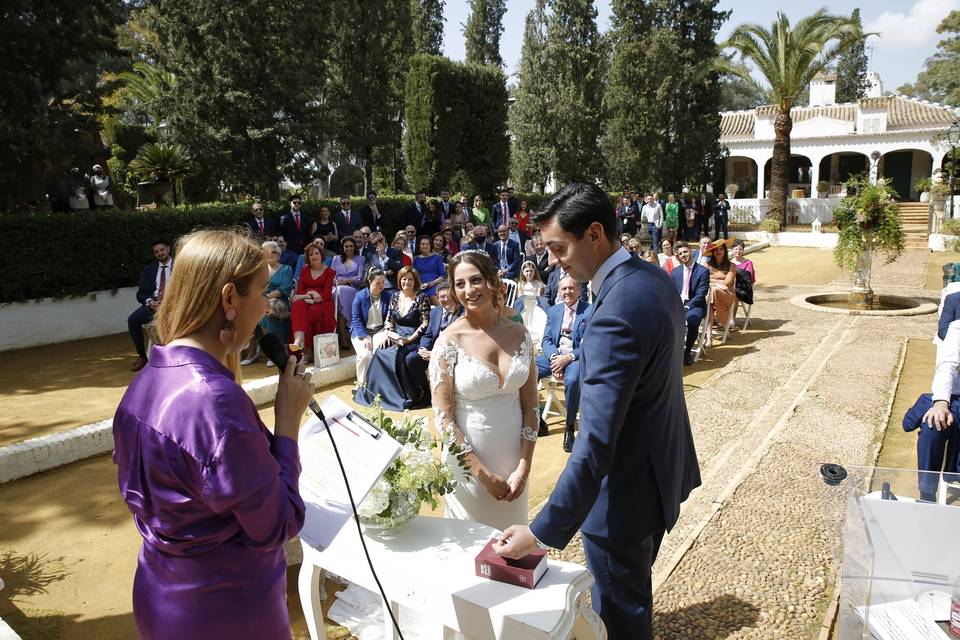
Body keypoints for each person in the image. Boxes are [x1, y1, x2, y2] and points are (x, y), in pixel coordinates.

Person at [494, 182, 701, 640]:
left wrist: (542, 531)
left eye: (557, 248)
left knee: (620, 619)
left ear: (593, 234)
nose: (552, 262)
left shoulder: (613, 314)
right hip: (661, 472)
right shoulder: (653, 279)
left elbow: (595, 444)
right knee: (634, 596)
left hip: (621, 500)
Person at [113, 229, 315, 640]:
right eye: (262, 293)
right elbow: (277, 524)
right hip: (227, 609)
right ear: (228, 300)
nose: (266, 308)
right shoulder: (214, 401)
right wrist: (288, 423)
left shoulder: (146, 380)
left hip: (160, 595)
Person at [428, 251, 538, 531]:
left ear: (491, 281)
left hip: (516, 463)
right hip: (469, 469)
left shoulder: (520, 335)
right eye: (460, 284)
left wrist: (524, 466)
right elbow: (444, 419)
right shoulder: (448, 342)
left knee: (512, 550)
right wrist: (482, 474)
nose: (468, 290)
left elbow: (531, 407)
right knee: (471, 550)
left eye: (475, 280)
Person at [355, 267, 431, 410]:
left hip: (414, 337)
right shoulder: (395, 296)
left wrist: (409, 339)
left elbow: (425, 323)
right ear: (399, 280)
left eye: (410, 279)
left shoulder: (422, 297)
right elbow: (389, 319)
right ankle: (382, 394)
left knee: (401, 357)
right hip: (396, 335)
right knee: (380, 353)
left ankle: (411, 396)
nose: (406, 282)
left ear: (415, 281)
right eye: (404, 279)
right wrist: (388, 334)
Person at [904, 320, 960, 501]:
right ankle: (927, 492)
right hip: (953, 398)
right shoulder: (957, 327)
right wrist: (941, 403)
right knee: (932, 426)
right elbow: (947, 365)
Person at [535, 276, 590, 452]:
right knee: (527, 370)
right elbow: (546, 339)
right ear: (559, 291)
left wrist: (568, 358)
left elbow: (590, 342)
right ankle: (537, 420)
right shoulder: (554, 311)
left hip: (575, 357)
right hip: (555, 356)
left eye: (571, 288)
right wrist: (554, 358)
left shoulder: (588, 311)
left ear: (579, 290)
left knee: (573, 381)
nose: (567, 292)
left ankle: (569, 428)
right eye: (564, 289)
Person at [406, 281, 462, 405]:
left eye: (448, 296)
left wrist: (436, 354)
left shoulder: (462, 315)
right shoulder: (435, 312)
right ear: (437, 298)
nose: (445, 299)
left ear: (454, 296)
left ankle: (448, 397)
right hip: (432, 350)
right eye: (442, 297)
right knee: (411, 359)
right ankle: (426, 392)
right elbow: (428, 335)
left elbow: (460, 343)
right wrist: (422, 348)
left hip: (451, 355)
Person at [128, 241, 173, 372]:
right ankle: (142, 357)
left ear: (168, 249)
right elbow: (140, 294)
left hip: (173, 304)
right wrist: (149, 302)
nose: (160, 253)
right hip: (153, 304)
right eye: (156, 252)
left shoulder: (180, 266)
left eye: (162, 250)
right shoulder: (149, 270)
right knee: (133, 320)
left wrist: (167, 303)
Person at [291, 244, 336, 359]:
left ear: (321, 255)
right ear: (307, 257)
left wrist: (313, 296)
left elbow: (326, 294)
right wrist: (309, 294)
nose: (314, 256)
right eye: (311, 254)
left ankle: (307, 349)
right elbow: (300, 291)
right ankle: (299, 339)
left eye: (316, 253)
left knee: (307, 314)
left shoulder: (330, 272)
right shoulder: (304, 270)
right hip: (305, 299)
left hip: (323, 302)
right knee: (298, 305)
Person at [350, 269, 393, 387]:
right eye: (377, 283)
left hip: (380, 330)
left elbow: (390, 318)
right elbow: (356, 319)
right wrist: (364, 337)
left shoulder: (387, 296)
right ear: (370, 281)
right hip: (362, 331)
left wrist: (386, 333)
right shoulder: (360, 296)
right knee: (364, 355)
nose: (381, 286)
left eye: (383, 283)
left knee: (379, 351)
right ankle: (362, 384)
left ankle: (377, 384)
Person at [671, 241, 710, 366]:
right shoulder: (675, 272)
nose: (683, 255)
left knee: (692, 320)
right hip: (678, 304)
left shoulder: (703, 271)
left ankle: (687, 352)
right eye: (680, 253)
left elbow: (701, 293)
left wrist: (688, 306)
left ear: (691, 251)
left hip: (695, 305)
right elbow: (672, 292)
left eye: (685, 251)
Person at [258, 240, 294, 350]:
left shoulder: (286, 269)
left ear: (278, 254)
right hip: (263, 301)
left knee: (266, 314)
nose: (270, 255)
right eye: (267, 252)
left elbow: (285, 289)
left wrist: (267, 297)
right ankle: (258, 350)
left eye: (273, 252)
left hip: (279, 302)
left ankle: (274, 351)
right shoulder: (261, 270)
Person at [332, 237, 366, 349]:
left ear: (354, 247)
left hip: (352, 288)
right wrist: (337, 282)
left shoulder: (360, 259)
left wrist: (345, 281)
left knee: (340, 293)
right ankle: (343, 337)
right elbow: (331, 276)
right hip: (336, 288)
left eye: (351, 246)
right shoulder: (336, 259)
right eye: (346, 246)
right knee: (338, 293)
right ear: (342, 247)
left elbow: (359, 279)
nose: (349, 248)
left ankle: (343, 337)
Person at [705, 239, 737, 347]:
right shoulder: (708, 264)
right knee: (709, 302)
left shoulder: (731, 265)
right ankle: (709, 335)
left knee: (711, 294)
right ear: (712, 252)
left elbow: (727, 283)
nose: (718, 251)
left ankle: (708, 335)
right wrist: (718, 282)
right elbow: (703, 279)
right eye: (716, 250)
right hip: (711, 295)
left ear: (725, 251)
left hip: (727, 294)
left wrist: (711, 281)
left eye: (721, 249)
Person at [413, 235, 445, 302]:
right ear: (419, 246)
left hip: (434, 284)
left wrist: (432, 283)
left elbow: (442, 276)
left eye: (427, 244)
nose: (425, 246)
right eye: (422, 244)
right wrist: (420, 284)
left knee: (432, 295)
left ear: (430, 246)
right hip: (421, 286)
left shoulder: (437, 258)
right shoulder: (416, 259)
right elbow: (415, 275)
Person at [518, 261, 545, 327]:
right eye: (527, 271)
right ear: (523, 272)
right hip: (524, 304)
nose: (529, 273)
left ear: (534, 272)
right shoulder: (521, 284)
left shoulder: (538, 284)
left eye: (531, 271)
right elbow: (520, 297)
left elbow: (539, 297)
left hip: (535, 304)